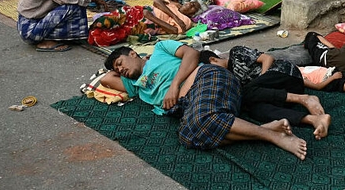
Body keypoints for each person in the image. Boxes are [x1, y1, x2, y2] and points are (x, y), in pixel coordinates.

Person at [100, 43, 307, 159]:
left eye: (120, 63)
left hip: (208, 77)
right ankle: (268, 131)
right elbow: (106, 79)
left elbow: (192, 52)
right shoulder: (136, 86)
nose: (120, 70)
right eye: (118, 70)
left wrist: (175, 86)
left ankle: (274, 137)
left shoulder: (160, 50)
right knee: (188, 136)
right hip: (191, 104)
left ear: (133, 53)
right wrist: (115, 68)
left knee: (200, 119)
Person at [199, 47, 332, 140]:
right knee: (255, 110)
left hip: (283, 73)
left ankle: (305, 99)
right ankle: (313, 119)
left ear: (213, 59)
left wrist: (260, 81)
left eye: (211, 69)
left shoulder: (236, 53)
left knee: (245, 93)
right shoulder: (228, 79)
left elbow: (267, 58)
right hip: (280, 92)